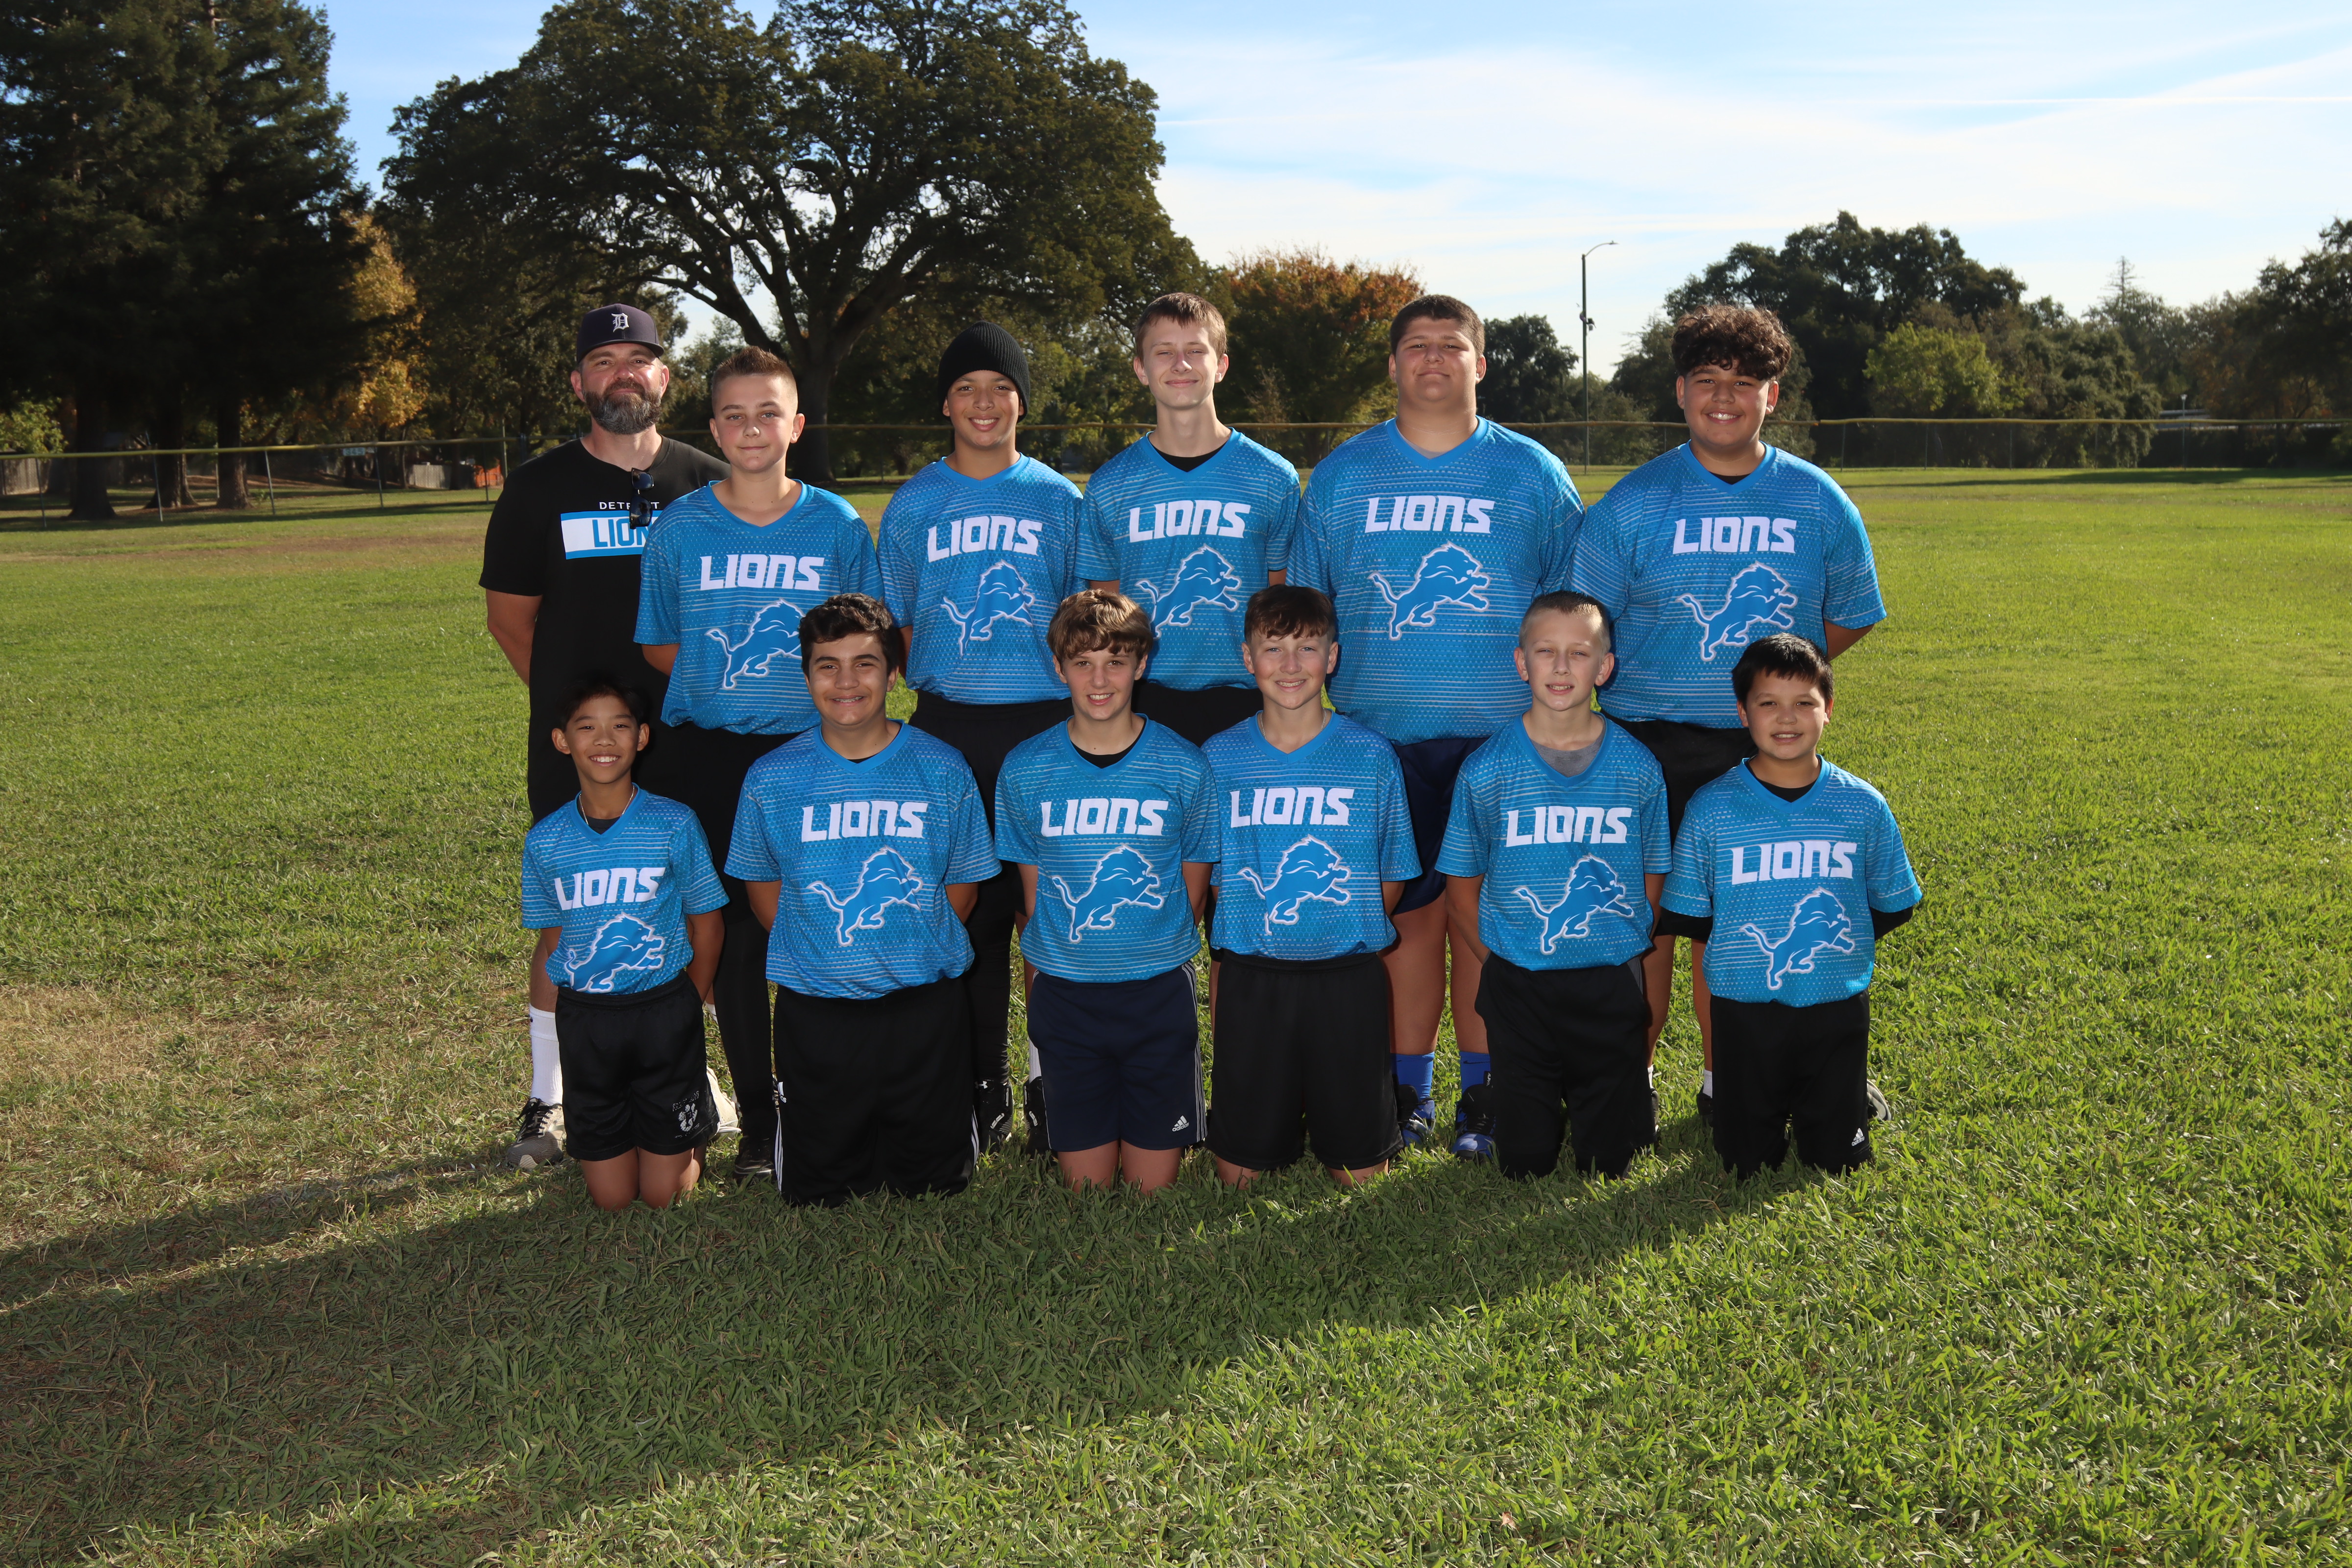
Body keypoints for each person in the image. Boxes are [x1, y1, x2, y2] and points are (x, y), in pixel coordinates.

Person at [1571, 304, 1887, 1126]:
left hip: (1760, 750)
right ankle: (1630, 1081)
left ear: (1772, 396)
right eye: (1707, 381)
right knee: (1641, 923)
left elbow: (1850, 614)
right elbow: (1583, 625)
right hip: (1643, 740)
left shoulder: (1816, 499)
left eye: (1744, 383)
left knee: (1742, 920)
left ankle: (1728, 1082)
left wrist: (1773, 689)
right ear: (1680, 391)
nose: (1724, 397)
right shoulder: (1635, 502)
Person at [1287, 294, 1582, 1157]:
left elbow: (1572, 605)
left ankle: (1487, 1092)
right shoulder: (1344, 474)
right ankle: (1405, 1091)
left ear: (1480, 364)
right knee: (1407, 922)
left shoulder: (1530, 473)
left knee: (1488, 920)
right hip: (1382, 739)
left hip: (1502, 739)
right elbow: (1308, 604)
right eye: (1416, 346)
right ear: (1392, 365)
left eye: (1451, 346)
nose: (1432, 360)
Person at [480, 302, 727, 1169]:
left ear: (665, 376)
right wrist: (587, 727)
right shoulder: (537, 488)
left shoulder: (708, 480)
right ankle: (548, 1098)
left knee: (693, 906)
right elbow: (511, 621)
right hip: (589, 753)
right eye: (603, 360)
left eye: (638, 358)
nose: (623, 373)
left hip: (692, 736)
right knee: (571, 917)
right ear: (578, 382)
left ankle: (689, 1076)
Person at [635, 345, 882, 1182]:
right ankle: (759, 1121)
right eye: (735, 415)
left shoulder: (836, 525)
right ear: (713, 429)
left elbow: (864, 641)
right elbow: (660, 642)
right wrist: (728, 685)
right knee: (736, 939)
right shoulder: (680, 528)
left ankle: (835, 1101)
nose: (751, 429)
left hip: (812, 753)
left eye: (768, 413)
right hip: (709, 756)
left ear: (796, 425)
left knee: (821, 922)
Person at [877, 323, 1084, 1154]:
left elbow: (1082, 621)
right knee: (968, 913)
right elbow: (896, 622)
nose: (984, 402)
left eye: (1001, 387)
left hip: (1044, 726)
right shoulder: (915, 503)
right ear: (946, 404)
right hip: (949, 727)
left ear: (1022, 402)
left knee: (1046, 909)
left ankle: (1047, 1079)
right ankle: (979, 1083)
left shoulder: (1059, 500)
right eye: (967, 388)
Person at [725, 594, 1001, 1205]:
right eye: (828, 665)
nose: (846, 681)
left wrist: (909, 942)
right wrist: (825, 951)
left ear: (894, 672)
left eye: (865, 663)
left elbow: (962, 886)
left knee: (934, 1186)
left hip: (924, 1008)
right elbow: (765, 892)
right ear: (806, 675)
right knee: (820, 1189)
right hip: (817, 1010)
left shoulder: (942, 766)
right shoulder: (772, 777)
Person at [1657, 634, 1920, 1176]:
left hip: (1835, 1006)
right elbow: (1694, 914)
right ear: (1742, 713)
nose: (1787, 717)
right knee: (1745, 1163)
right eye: (1768, 702)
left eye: (1804, 702)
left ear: (1829, 709)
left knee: (1839, 1161)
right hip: (1744, 1010)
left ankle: (1840, 1103)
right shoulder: (1712, 809)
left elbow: (1891, 903)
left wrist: (1832, 953)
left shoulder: (1862, 805)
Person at [1435, 593, 1668, 1176]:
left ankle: (1618, 1107)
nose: (1562, 667)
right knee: (1525, 1161)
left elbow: (1652, 874)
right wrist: (1505, 961)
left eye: (1579, 653)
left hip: (1608, 976)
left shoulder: (1637, 767)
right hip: (1519, 981)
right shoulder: (1487, 769)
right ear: (1522, 662)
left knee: (1610, 1163)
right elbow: (1461, 889)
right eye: (1546, 651)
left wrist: (1622, 944)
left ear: (1604, 667)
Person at [993, 590, 1216, 1194]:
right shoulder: (1026, 768)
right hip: (1068, 995)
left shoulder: (1183, 765)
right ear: (1059, 667)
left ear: (1141, 664)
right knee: (1086, 1188)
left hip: (1156, 991)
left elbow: (1191, 897)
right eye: (1083, 662)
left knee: (1151, 1190)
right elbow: (1036, 900)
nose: (1099, 679)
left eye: (1115, 661)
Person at [1200, 585, 1415, 1188]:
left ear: (1333, 657)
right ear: (1248, 658)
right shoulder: (1219, 758)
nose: (1290, 664)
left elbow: (1393, 873)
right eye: (1274, 648)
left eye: (1307, 647)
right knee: (1239, 1175)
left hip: (1347, 977)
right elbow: (1212, 876)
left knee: (1360, 1174)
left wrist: (1342, 927)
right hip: (1254, 976)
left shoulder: (1370, 756)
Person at [518, 675, 730, 1210]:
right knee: (612, 1198)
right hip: (589, 1020)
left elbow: (708, 925)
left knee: (663, 1195)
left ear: (642, 737)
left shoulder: (673, 823)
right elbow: (556, 939)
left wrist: (687, 999)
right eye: (587, 727)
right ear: (562, 740)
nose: (604, 740)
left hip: (662, 1011)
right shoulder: (546, 840)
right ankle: (633, 1121)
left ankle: (698, 1115)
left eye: (619, 726)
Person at [1079, 293, 1300, 746]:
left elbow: (1280, 601)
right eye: (1163, 352)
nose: (1180, 364)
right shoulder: (1110, 485)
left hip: (1248, 697)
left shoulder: (1272, 477)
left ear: (1221, 365)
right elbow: (1108, 615)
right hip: (1143, 699)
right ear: (1141, 369)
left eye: (1195, 350)